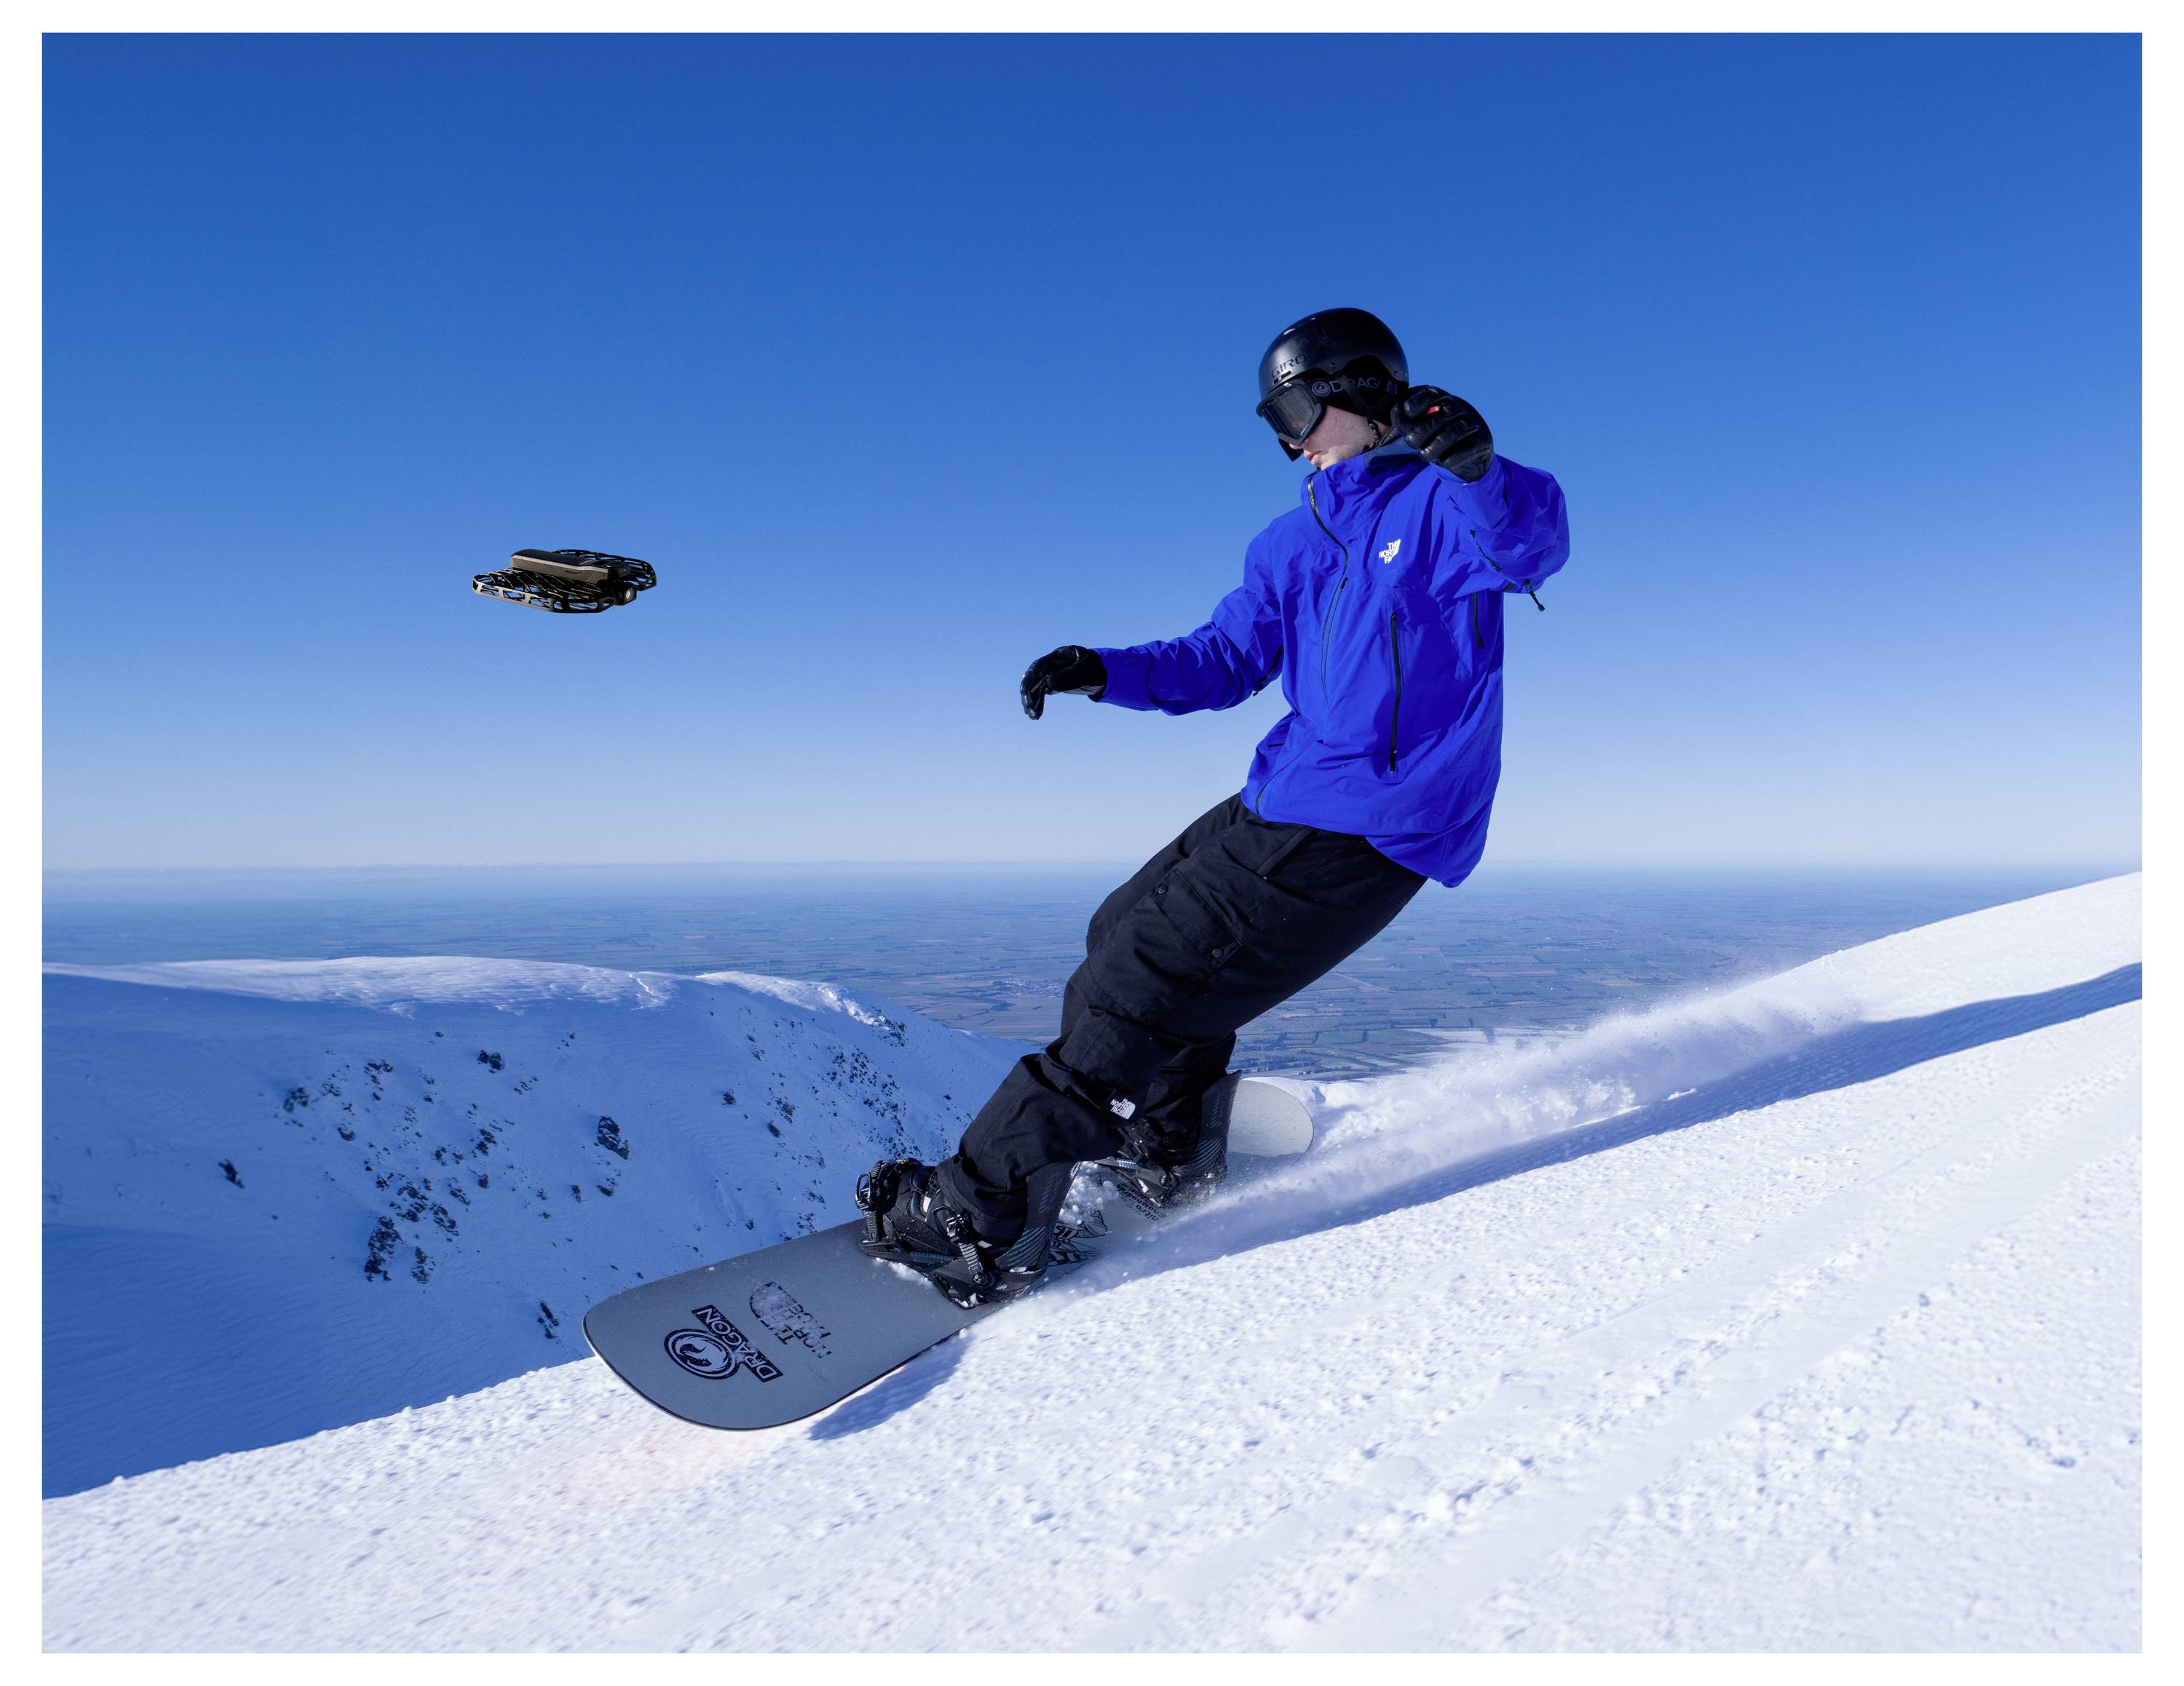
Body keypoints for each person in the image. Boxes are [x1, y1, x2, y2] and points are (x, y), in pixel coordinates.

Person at [857, 306, 1572, 1305]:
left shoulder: (1442, 509)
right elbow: (1225, 658)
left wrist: (1482, 469)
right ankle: (1171, 1147)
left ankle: (981, 1210)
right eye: (1272, 416)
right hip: (1289, 791)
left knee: (1132, 991)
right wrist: (1105, 669)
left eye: (1297, 406)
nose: (1288, 437)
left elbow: (1529, 544)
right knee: (1119, 927)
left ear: (1361, 391)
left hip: (1372, 822)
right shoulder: (1293, 540)